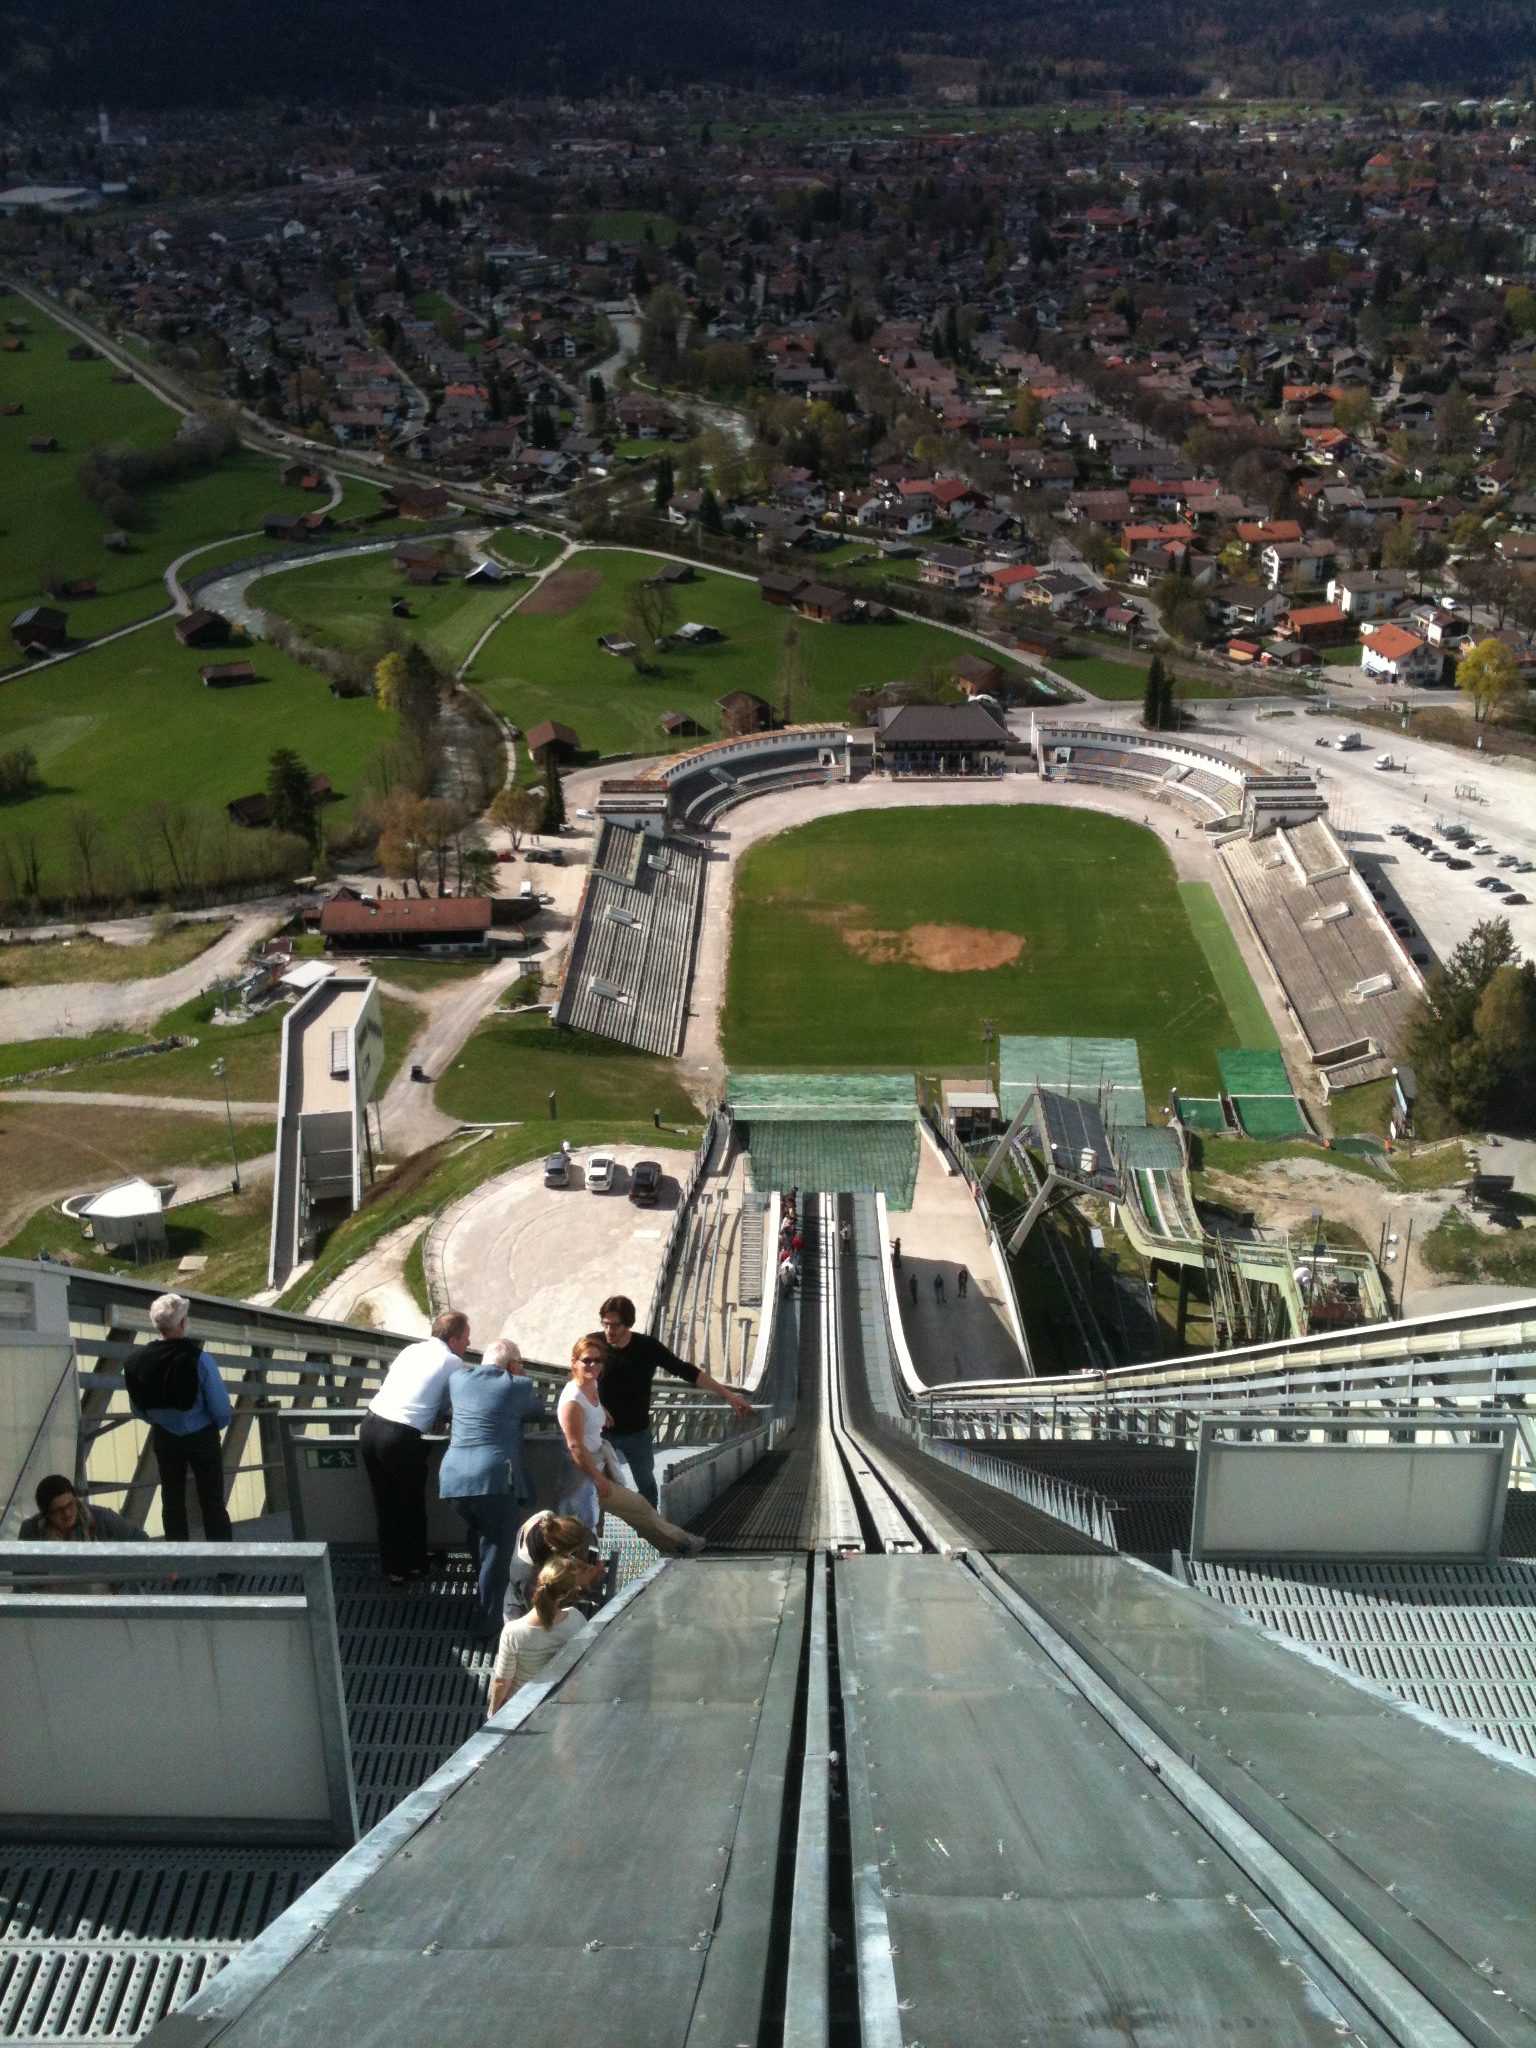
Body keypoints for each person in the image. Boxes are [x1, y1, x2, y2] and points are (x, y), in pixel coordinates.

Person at [596, 1294, 752, 1509]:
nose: (609, 1331)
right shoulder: (595, 1345)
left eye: (615, 1325)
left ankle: (650, 1531)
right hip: (603, 1433)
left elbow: (686, 1370)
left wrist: (728, 1395)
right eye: (605, 1324)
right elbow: (578, 1378)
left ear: (628, 1324)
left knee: (646, 1485)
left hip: (637, 1433)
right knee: (599, 1486)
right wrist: (597, 1406)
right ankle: (599, 1535)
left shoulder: (646, 1347)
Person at [558, 1335, 704, 1555]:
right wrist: (598, 1479)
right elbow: (575, 1446)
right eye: (586, 1360)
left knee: (592, 1529)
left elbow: (590, 1408)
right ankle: (680, 1543)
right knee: (638, 1507)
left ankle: (589, 1577)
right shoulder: (573, 1400)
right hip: (586, 1476)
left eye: (597, 1361)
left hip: (598, 1465)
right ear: (574, 1362)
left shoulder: (591, 1384)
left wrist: (602, 1412)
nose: (593, 1365)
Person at [439, 1337, 542, 1639]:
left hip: (453, 1480)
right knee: (498, 1552)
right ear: (512, 1366)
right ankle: (488, 1627)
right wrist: (520, 1378)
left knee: (481, 1538)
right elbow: (536, 1411)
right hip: (493, 1480)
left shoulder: (458, 1379)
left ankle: (481, 1596)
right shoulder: (516, 1385)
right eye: (519, 1365)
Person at [361, 1309, 472, 1587]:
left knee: (385, 1503)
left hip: (370, 1426)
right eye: (467, 1338)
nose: (469, 1345)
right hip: (400, 1436)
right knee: (410, 1504)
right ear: (455, 1339)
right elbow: (454, 1405)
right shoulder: (453, 1363)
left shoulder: (411, 1350)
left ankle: (393, 1569)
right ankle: (417, 1566)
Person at [124, 1293, 234, 1541]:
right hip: (202, 1437)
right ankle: (225, 1564)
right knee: (212, 1502)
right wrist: (218, 1425)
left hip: (165, 1438)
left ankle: (178, 1566)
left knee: (172, 1502)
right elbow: (220, 1408)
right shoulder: (199, 1360)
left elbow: (138, 1409)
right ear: (183, 1324)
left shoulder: (135, 1362)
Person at [487, 1555, 602, 1717]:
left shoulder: (512, 1632)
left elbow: (503, 1680)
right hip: (559, 1704)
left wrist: (493, 1711)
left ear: (538, 1581)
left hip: (522, 1707)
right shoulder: (576, 1619)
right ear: (570, 1591)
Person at [506, 1509, 593, 1620]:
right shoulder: (528, 1575)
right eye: (573, 1552)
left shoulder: (544, 1517)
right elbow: (543, 1616)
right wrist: (576, 1582)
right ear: (560, 1551)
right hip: (522, 1619)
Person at [20, 1474, 148, 1545]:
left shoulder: (103, 1519)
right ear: (46, 1513)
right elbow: (23, 1578)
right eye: (59, 1510)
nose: (67, 1513)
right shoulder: (30, 1531)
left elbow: (141, 1541)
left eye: (70, 1505)